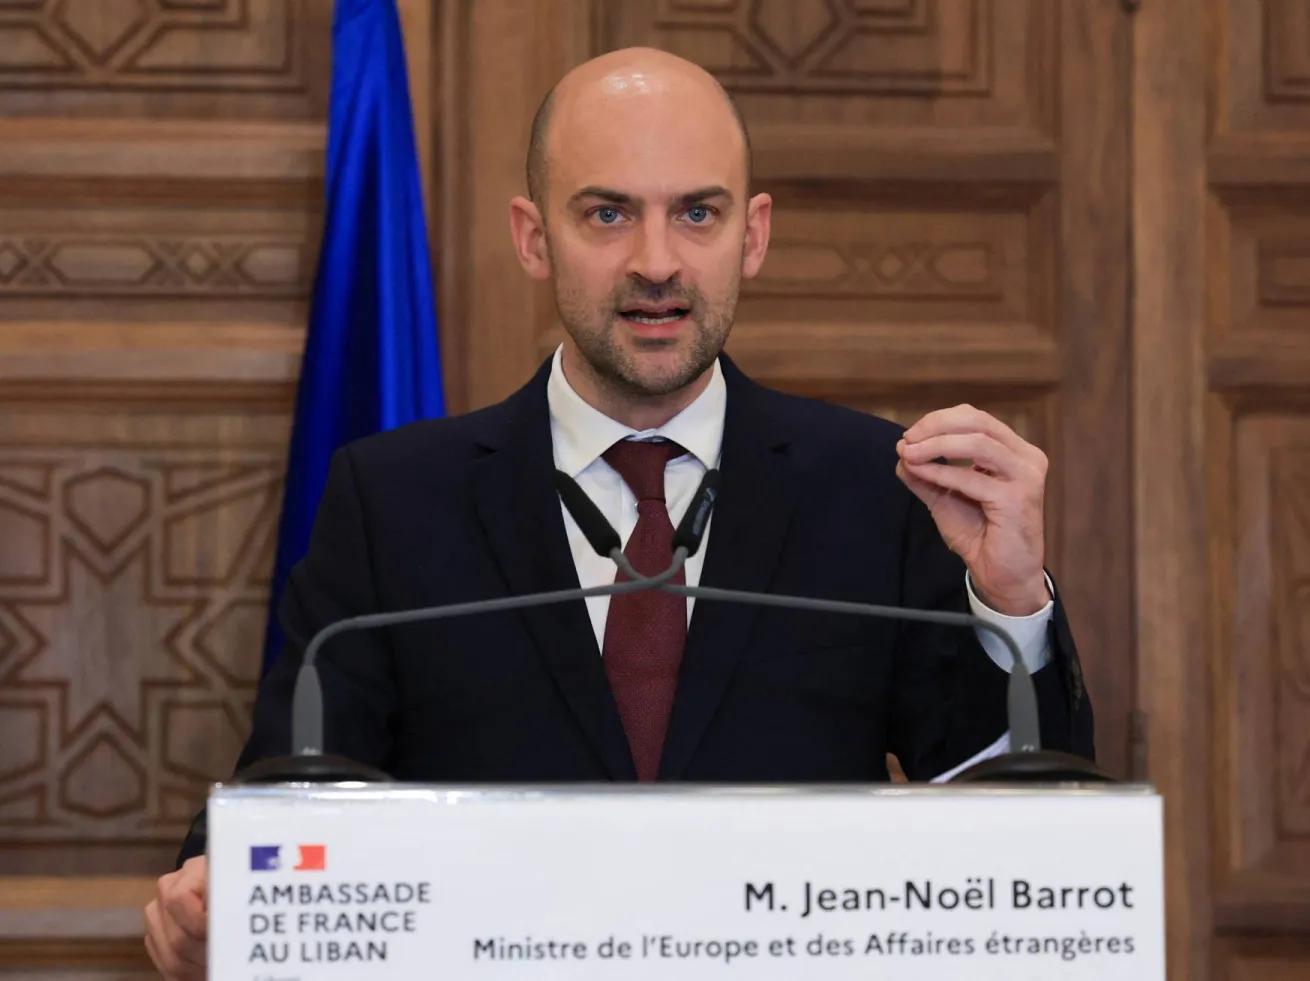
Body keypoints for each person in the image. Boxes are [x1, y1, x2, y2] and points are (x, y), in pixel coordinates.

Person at [142, 46, 1095, 979]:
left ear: (753, 234)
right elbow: (293, 790)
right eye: (607, 213)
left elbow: (1015, 835)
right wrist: (216, 891)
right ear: (532, 237)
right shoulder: (395, 499)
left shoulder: (872, 487)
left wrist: (1012, 602)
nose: (656, 262)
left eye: (698, 213)